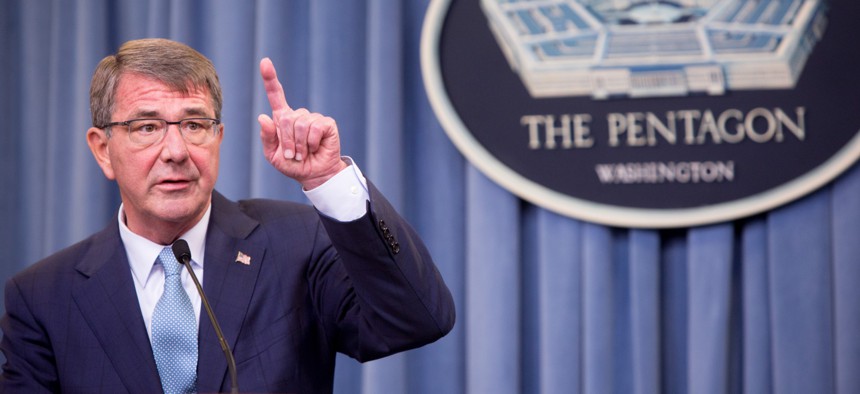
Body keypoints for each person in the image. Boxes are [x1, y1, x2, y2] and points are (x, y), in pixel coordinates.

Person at [0, 38, 455, 393]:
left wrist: (329, 179)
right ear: (103, 150)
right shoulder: (43, 298)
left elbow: (417, 320)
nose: (176, 151)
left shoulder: (296, 243)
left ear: (218, 137)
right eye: (147, 127)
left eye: (195, 125)